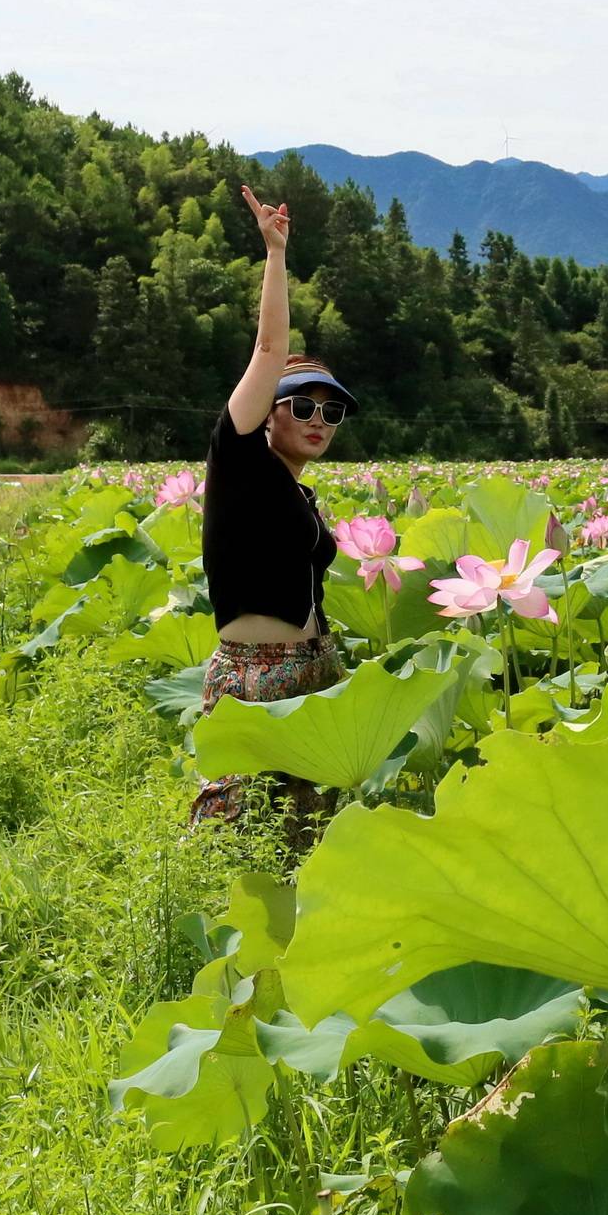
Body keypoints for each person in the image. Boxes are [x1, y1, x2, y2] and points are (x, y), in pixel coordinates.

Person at [187, 183, 360, 848]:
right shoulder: (239, 463)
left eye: (333, 410)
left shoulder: (300, 493)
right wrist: (276, 253)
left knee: (307, 845)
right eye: (305, 405)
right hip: (253, 676)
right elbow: (267, 351)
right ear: (269, 412)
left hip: (314, 669)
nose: (321, 420)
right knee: (225, 843)